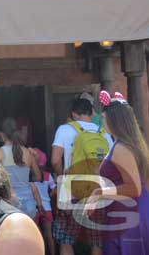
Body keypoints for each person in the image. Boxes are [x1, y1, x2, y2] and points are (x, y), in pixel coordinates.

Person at [86, 91, 149, 254]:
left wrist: (99, 192)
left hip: (128, 216)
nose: (102, 122)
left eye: (104, 119)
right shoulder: (126, 145)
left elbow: (134, 188)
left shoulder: (121, 148)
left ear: (115, 121)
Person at [51, 94, 114, 255]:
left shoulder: (65, 129)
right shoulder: (104, 133)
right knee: (96, 240)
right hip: (97, 188)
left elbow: (55, 160)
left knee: (66, 239)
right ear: (91, 113)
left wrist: (62, 176)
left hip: (71, 187)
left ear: (73, 114)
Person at [0, 118, 41, 218]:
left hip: (9, 204)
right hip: (28, 203)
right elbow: (38, 177)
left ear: (1, 134)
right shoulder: (28, 152)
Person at [31, 148, 56, 255]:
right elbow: (55, 189)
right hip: (47, 207)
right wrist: (48, 196)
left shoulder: (30, 175)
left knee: (36, 234)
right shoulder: (47, 175)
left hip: (35, 207)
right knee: (49, 234)